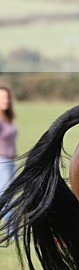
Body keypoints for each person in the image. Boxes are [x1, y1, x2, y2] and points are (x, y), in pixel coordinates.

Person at [0, 86, 18, 230]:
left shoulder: (7, 117)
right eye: (1, 98)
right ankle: (12, 232)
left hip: (11, 162)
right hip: (2, 162)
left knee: (8, 197)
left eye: (6, 97)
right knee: (6, 199)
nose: (5, 100)